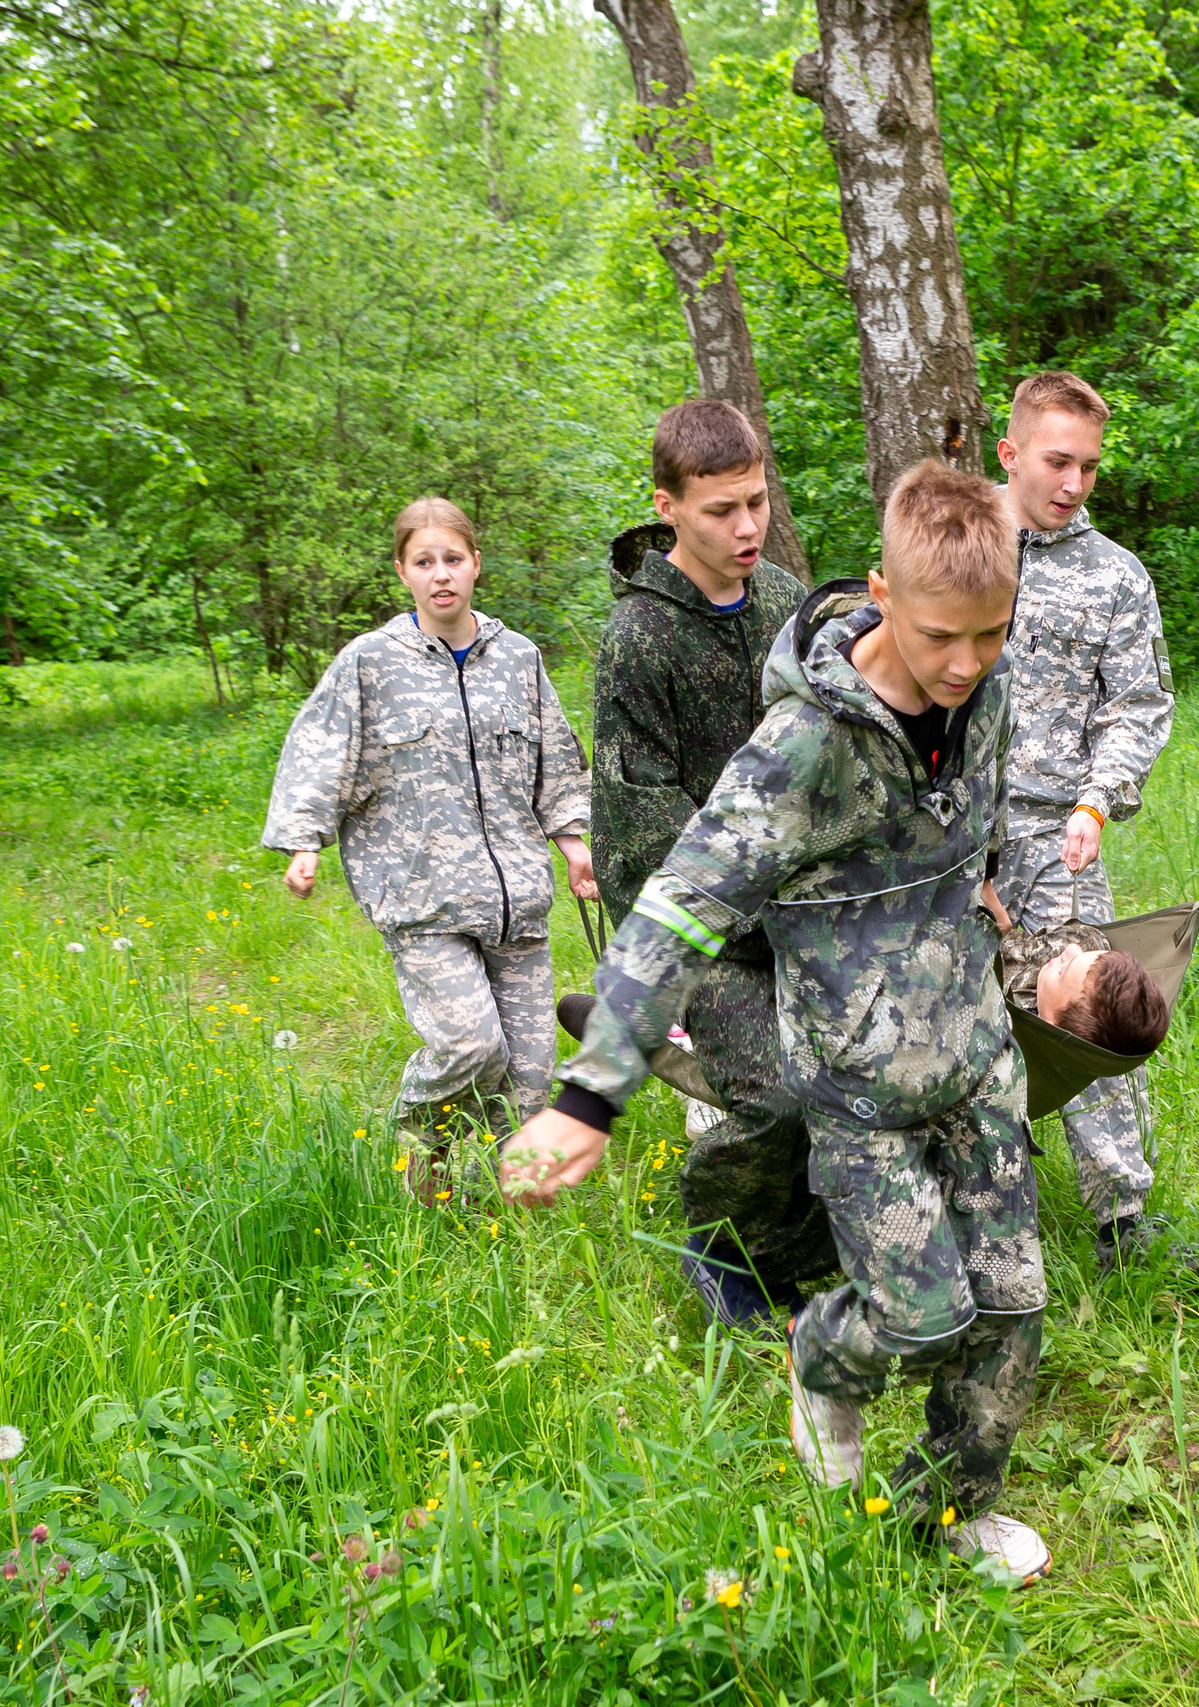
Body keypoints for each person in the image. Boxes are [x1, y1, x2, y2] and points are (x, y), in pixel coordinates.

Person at [498, 461, 1053, 1586]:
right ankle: (816, 1354)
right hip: (855, 1087)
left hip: (977, 1059)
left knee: (1012, 1314)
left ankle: (941, 1517)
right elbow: (678, 907)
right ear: (882, 595)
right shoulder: (801, 752)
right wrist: (589, 1093)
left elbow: (967, 840)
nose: (965, 664)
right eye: (943, 635)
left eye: (990, 634)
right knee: (917, 1318)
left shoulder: (984, 689)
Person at [264, 496, 594, 1205]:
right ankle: (420, 1147)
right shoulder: (371, 663)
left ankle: (520, 1218)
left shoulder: (519, 659)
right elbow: (322, 751)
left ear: (476, 564)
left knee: (532, 1075)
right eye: (424, 562)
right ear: (402, 572)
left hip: (517, 900)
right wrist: (303, 842)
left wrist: (573, 845)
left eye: (453, 559)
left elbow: (556, 763)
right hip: (421, 898)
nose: (441, 574)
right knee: (473, 1048)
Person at [589, 399, 830, 1327]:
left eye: (757, 503)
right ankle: (721, 1246)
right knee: (775, 1095)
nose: (746, 527)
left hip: (807, 910)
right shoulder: (638, 639)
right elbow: (638, 824)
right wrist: (747, 911)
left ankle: (800, 1252)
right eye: (722, 510)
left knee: (852, 1077)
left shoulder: (780, 602)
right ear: (668, 506)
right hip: (702, 931)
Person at [993, 369, 1199, 1273]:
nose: (1073, 483)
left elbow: (1139, 704)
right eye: (1056, 461)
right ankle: (977, 1198)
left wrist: (1097, 798)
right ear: (1010, 453)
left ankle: (1124, 1216)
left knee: (1088, 1011)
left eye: (1088, 466)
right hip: (943, 833)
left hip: (1058, 835)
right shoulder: (960, 548)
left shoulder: (1115, 577)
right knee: (947, 1011)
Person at [996, 921, 1170, 1054]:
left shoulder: (997, 1023)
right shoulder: (1090, 946)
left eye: (1062, 972)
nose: (1071, 948)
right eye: (1083, 953)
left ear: (1050, 1027)